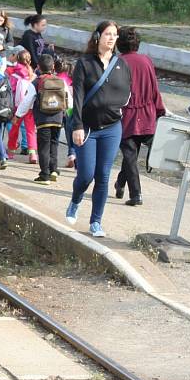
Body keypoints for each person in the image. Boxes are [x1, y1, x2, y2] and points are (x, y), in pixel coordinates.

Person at [65, 20, 132, 238]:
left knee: (103, 176)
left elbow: (127, 92)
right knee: (86, 175)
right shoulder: (85, 63)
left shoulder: (122, 65)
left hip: (112, 128)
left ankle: (96, 222)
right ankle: (75, 200)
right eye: (107, 34)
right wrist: (77, 125)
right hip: (87, 128)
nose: (111, 38)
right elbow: (78, 97)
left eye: (114, 35)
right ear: (97, 37)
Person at [114, 27, 166, 206]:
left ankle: (136, 195)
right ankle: (120, 184)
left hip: (126, 114)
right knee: (131, 155)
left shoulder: (118, 62)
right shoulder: (146, 61)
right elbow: (154, 88)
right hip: (146, 113)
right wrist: (159, 110)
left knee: (129, 154)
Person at [15, 54, 67, 185]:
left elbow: (27, 101)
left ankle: (45, 175)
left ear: (38, 67)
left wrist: (18, 115)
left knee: (43, 147)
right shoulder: (61, 81)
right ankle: (53, 169)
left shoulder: (36, 82)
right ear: (53, 66)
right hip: (58, 119)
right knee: (54, 143)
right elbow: (69, 101)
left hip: (43, 119)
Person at [5, 47, 36, 159]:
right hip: (30, 107)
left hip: (18, 106)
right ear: (30, 61)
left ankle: (11, 152)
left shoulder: (14, 74)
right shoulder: (32, 75)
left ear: (17, 60)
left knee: (14, 129)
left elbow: (11, 90)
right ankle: (32, 153)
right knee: (30, 130)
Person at [56, 59, 76, 169]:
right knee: (71, 133)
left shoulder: (56, 78)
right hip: (71, 109)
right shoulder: (72, 79)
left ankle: (70, 156)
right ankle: (72, 155)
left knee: (58, 133)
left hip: (58, 109)